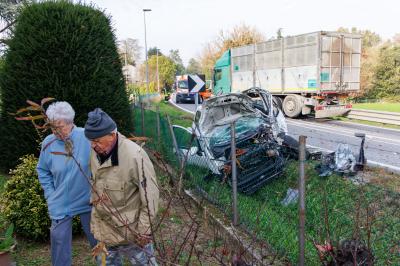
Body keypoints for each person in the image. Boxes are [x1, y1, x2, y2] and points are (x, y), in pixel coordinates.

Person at [84, 108, 159, 266]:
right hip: (104, 231)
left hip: (132, 234)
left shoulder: (135, 156)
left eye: (97, 140)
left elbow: (150, 199)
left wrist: (143, 232)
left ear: (112, 135)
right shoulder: (94, 151)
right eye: (90, 140)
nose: (92, 145)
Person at [36, 101, 97, 266]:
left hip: (88, 200)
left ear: (71, 122)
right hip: (61, 202)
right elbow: (42, 170)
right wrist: (50, 193)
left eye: (60, 126)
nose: (56, 131)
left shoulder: (87, 137)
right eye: (52, 127)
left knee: (100, 241)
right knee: (59, 244)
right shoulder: (48, 143)